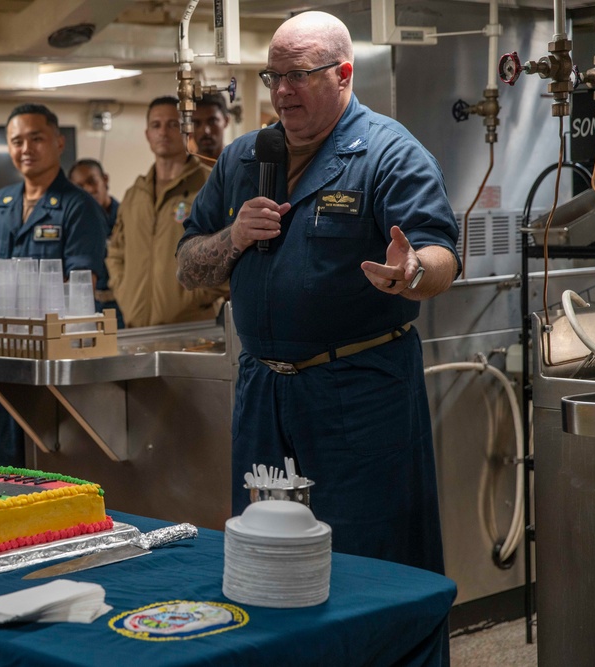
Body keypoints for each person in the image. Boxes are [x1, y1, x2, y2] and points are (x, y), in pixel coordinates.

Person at [176, 11, 460, 578]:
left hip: (356, 392)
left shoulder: (389, 153)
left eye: (299, 75)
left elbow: (441, 257)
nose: (282, 91)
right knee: (265, 557)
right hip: (263, 393)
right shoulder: (242, 159)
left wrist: (412, 271)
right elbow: (187, 267)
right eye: (272, 76)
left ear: (345, 74)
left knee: (367, 562)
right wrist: (231, 238)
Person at [0, 103, 107, 467]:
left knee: (55, 460)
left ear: (59, 143)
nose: (25, 148)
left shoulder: (79, 207)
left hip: (54, 362)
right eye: (16, 141)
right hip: (4, 358)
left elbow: (81, 284)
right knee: (5, 461)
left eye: (36, 138)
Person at [106, 96, 227, 329]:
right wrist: (124, 291)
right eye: (156, 125)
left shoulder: (210, 185)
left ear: (187, 131)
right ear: (147, 135)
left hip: (191, 328)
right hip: (137, 328)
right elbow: (116, 253)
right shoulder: (135, 194)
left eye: (173, 124)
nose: (163, 132)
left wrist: (195, 296)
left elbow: (233, 249)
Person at [68, 158, 122, 327]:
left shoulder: (126, 215)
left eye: (92, 181)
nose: (88, 190)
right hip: (90, 308)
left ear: (105, 179)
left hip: (124, 306)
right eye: (79, 186)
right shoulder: (74, 225)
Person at [189, 92, 230, 160]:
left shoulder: (242, 166)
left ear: (226, 121)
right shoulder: (184, 169)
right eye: (196, 123)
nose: (205, 131)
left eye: (212, 122)